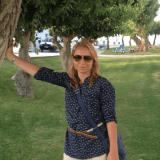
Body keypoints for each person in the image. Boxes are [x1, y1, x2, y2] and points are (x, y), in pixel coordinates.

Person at [5, 41, 120, 160]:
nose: (82, 62)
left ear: (93, 60)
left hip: (96, 148)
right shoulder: (68, 81)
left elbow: (110, 119)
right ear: (73, 59)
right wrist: (11, 57)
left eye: (87, 58)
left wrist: (113, 151)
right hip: (72, 148)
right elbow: (40, 73)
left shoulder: (103, 85)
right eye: (77, 57)